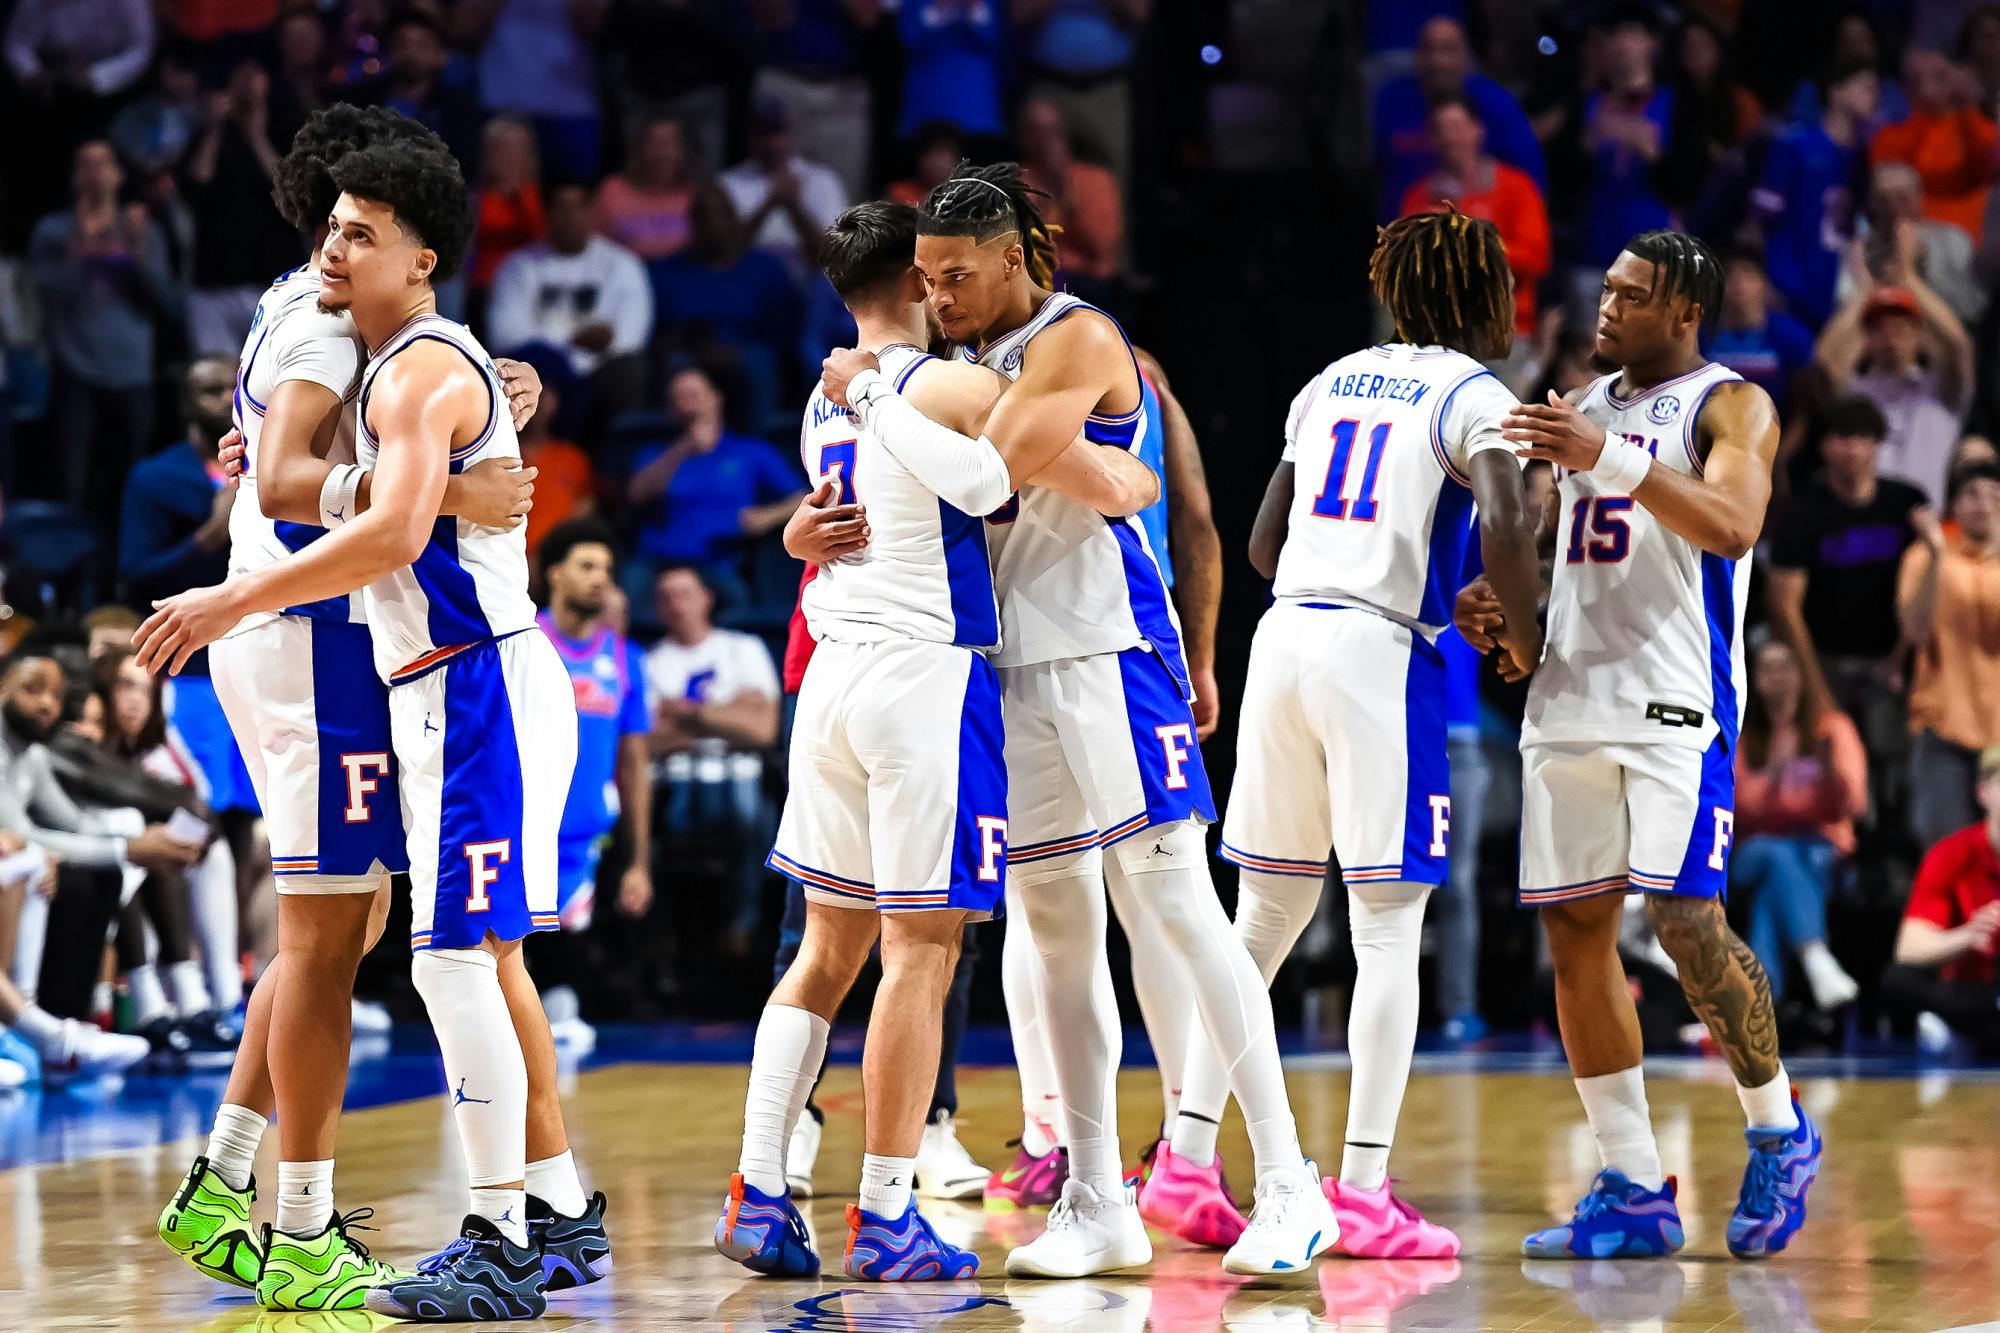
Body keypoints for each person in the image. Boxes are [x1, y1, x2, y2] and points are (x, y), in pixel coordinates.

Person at [820, 162, 1337, 1278]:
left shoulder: (1077, 338)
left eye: (955, 276)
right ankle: (1095, 1197)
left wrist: (884, 396)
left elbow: (985, 477)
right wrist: (1092, 469)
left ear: (1011, 257)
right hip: (1008, 660)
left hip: (1111, 651)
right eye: (923, 278)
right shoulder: (954, 366)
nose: (938, 295)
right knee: (1052, 931)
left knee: (1177, 910)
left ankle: (1292, 1185)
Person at [135, 115, 607, 1322]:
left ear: (420, 249)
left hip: (425, 661)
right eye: (335, 225)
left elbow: (387, 450)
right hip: (317, 642)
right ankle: (313, 1217)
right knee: (362, 940)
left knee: (379, 939)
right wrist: (449, 476)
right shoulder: (321, 323)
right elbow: (287, 477)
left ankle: (496, 1206)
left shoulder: (392, 342)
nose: (342, 245)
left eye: (367, 229)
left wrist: (466, 422)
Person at [723, 198, 1157, 1281]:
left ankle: (757, 1188)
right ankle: (883, 1212)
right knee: (922, 951)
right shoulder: (940, 383)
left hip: (827, 679)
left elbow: (843, 505)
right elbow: (1007, 477)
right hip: (920, 680)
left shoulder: (818, 407)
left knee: (825, 953)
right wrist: (1130, 479)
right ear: (918, 282)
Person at [1145, 209, 1544, 1261]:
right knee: (1383, 932)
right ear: (1472, 297)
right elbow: (1505, 520)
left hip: (1283, 639)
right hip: (1374, 656)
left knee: (1259, 920)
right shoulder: (1474, 396)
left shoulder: (1327, 380)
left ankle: (1184, 1161)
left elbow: (1265, 544)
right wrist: (1528, 629)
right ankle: (1362, 1188)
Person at [1461, 230, 1821, 1260]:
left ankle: (1775, 1130)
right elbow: (1549, 550)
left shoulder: (1728, 403)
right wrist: (1500, 604)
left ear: (1682, 311)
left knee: (1685, 920)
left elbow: (1732, 523)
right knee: (1573, 933)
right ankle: (1626, 1180)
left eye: (1629, 295)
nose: (1605, 308)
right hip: (1568, 696)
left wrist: (1605, 458)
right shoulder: (1573, 411)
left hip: (1673, 703)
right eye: (1604, 291)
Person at [0, 647, 186, 1076]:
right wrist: (129, 847)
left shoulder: (32, 753)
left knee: (85, 872)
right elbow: (17, 832)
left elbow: (73, 821)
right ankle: (33, 1032)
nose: (47, 704)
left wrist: (136, 842)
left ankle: (65, 1023)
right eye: (33, 691)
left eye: (56, 696)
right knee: (30, 865)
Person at [533, 520, 651, 1051]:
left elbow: (634, 761)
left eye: (606, 569)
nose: (600, 579)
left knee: (567, 935)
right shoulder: (524, 643)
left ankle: (558, 1006)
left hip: (584, 836)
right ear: (554, 573)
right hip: (521, 826)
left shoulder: (626, 658)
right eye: (587, 567)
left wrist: (639, 860)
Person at [28, 139, 177, 516]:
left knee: (132, 481)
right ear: (74, 177)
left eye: (102, 163)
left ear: (118, 174)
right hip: (74, 371)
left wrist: (137, 252)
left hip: (133, 371)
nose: (94, 173)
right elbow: (49, 297)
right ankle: (72, 570)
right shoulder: (52, 231)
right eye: (84, 164)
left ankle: (126, 570)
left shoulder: (142, 229)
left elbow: (167, 302)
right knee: (73, 483)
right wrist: (80, 249)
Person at [642, 564, 780, 953]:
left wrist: (687, 714)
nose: (675, 604)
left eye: (683, 593)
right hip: (673, 781)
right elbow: (646, 742)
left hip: (741, 776)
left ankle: (742, 924)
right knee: (648, 827)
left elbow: (763, 731)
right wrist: (729, 713)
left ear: (706, 598)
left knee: (747, 811)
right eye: (665, 597)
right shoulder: (649, 661)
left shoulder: (743, 648)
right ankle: (663, 942)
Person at [1732, 637, 1867, 1011]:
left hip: (1821, 852)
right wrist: (1774, 776)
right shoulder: (1744, 734)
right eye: (1767, 668)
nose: (1777, 677)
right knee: (1776, 853)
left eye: (1786, 666)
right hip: (1753, 852)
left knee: (1774, 886)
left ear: (1803, 674)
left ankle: (1762, 1001)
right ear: (1754, 677)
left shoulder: (1833, 729)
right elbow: (1737, 809)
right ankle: (1814, 955)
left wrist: (1830, 775)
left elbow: (1854, 803)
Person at [1813, 225, 1973, 508]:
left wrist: (1908, 277)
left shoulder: (1941, 391)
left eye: (1900, 329)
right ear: (1866, 341)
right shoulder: (1857, 393)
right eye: (1879, 330)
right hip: (1868, 525)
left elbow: (1958, 345)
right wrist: (1863, 290)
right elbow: (1824, 362)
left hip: (1925, 524)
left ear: (1919, 337)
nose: (1890, 339)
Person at [625, 368, 805, 612]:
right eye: (679, 397)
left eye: (694, 393)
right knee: (626, 601)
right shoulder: (656, 453)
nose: (688, 403)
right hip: (657, 561)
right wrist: (684, 448)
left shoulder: (750, 451)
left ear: (715, 398)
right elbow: (636, 494)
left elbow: (802, 496)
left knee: (740, 605)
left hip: (717, 561)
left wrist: (767, 516)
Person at [486, 180, 654, 434]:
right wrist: (571, 343)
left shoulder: (622, 264)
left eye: (579, 207)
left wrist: (593, 348)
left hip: (600, 374)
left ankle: (611, 467)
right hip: (542, 374)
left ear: (592, 211)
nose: (570, 217)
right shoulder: (519, 266)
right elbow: (505, 334)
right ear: (547, 213)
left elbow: (631, 336)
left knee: (629, 371)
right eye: (561, 208)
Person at [1898, 463, 2000, 851]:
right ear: (1954, 504)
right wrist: (1937, 554)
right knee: (1946, 854)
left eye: (1995, 495)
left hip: (1998, 736)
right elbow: (1915, 631)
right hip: (1942, 726)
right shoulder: (1923, 557)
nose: (1984, 504)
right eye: (1972, 494)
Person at [1399, 98, 1551, 340]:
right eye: (1440, 129)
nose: (1450, 138)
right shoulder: (1419, 198)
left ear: (1477, 130)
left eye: (1457, 127)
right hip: (1441, 334)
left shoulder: (1516, 188)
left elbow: (1535, 259)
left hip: (1503, 329)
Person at [1882, 747, 2000, 1052]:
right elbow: (1908, 948)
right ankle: (1967, 1029)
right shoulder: (1953, 853)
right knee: (1899, 980)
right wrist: (1968, 935)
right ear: (1983, 792)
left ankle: (1963, 1032)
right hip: (1973, 988)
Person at [1372, 16, 1544, 219]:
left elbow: (1532, 179)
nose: (1438, 61)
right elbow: (1374, 172)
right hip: (1407, 228)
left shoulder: (1499, 106)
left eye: (1448, 50)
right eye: (1429, 49)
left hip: (1486, 231)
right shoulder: (1391, 101)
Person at [1754, 60, 1878, 328]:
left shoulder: (1863, 160)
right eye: (1865, 86)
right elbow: (1761, 222)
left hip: (1841, 289)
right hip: (1792, 287)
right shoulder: (1794, 146)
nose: (1874, 95)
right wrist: (1774, 280)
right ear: (1836, 92)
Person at [1870, 50, 1997, 246]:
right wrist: (1924, 111)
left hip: (1971, 244)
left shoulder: (1975, 125)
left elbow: (1983, 170)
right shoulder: (1888, 136)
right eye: (1917, 79)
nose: (1927, 85)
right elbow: (1890, 188)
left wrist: (1966, 106)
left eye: (1939, 76)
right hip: (1911, 242)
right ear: (1905, 86)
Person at [718, 96, 850, 279]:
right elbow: (724, 253)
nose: (772, 144)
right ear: (749, 137)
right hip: (747, 284)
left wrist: (795, 208)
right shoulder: (727, 183)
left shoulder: (822, 180)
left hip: (807, 285)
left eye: (777, 133)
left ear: (791, 133)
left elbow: (835, 254)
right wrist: (767, 206)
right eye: (762, 134)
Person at [1018, 98, 1123, 286]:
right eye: (1038, 131)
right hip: (1039, 280)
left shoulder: (1097, 180)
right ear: (1025, 137)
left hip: (1090, 282)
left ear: (1065, 134)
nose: (1046, 140)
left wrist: (1063, 186)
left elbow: (1101, 246)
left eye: (1052, 131)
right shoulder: (1017, 182)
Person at [1707, 250, 1814, 418]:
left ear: (1764, 283)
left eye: (1747, 272)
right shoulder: (1701, 336)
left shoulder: (1792, 335)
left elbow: (1803, 411)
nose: (1738, 281)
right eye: (1730, 274)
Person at [592, 114, 698, 263]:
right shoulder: (612, 190)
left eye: (670, 142)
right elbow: (592, 248)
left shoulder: (697, 193)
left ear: (684, 150)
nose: (663, 152)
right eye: (655, 142)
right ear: (638, 148)